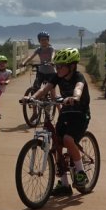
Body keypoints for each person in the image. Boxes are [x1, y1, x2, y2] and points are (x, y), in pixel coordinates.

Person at [21, 47, 91, 196]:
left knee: (67, 139)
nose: (57, 68)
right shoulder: (57, 77)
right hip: (65, 114)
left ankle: (80, 172)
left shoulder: (78, 77)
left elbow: (78, 88)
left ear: (71, 66)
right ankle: (64, 184)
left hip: (80, 114)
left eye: (61, 66)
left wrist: (75, 97)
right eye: (56, 66)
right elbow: (45, 89)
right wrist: (32, 98)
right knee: (57, 144)